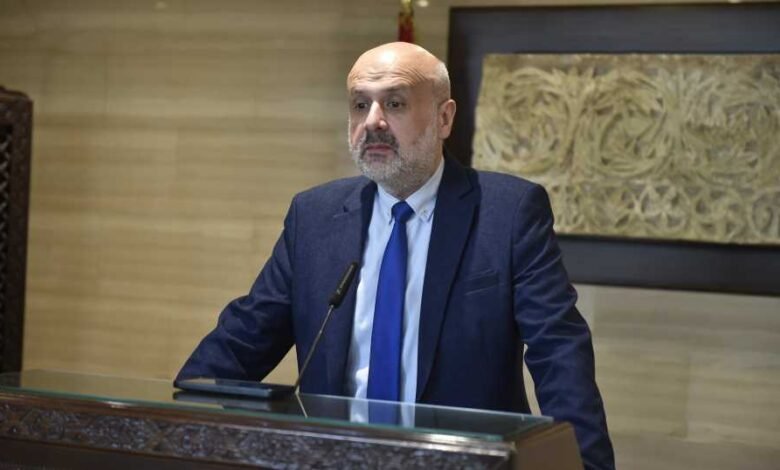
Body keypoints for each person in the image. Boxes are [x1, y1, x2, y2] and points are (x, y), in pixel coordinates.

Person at [178, 42, 615, 469]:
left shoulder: (508, 213)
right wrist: (171, 429)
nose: (373, 121)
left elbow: (559, 354)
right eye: (359, 105)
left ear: (444, 118)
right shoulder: (313, 217)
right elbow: (242, 342)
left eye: (395, 103)